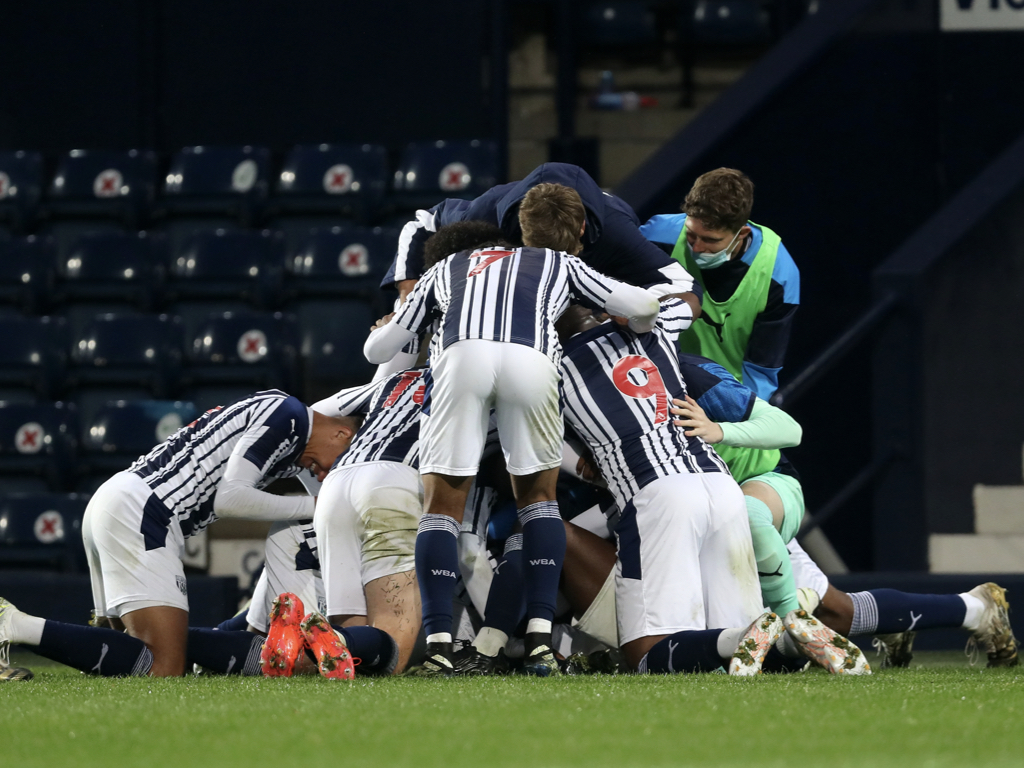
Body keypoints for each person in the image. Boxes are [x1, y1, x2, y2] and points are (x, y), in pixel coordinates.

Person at [364, 194, 662, 676]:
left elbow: (379, 350)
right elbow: (643, 303)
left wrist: (393, 325)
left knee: (441, 509)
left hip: (460, 360)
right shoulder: (555, 262)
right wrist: (640, 323)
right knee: (539, 503)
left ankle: (440, 646)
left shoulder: (448, 267)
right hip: (532, 360)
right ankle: (542, 642)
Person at [555, 303, 868, 676]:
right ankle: (787, 637)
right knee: (730, 645)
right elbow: (684, 298)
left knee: (644, 654)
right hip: (724, 490)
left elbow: (522, 449)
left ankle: (743, 637)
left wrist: (578, 464)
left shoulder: (548, 368)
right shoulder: (661, 344)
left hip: (658, 495)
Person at [0, 390, 372, 678]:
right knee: (164, 665)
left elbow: (323, 518)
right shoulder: (288, 416)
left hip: (119, 501)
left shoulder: (292, 437)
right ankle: (13, 624)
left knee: (129, 655)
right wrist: (316, 506)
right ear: (341, 432)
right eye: (335, 467)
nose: (325, 476)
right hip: (143, 512)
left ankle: (19, 627)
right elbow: (231, 499)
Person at [385, 162, 700, 305]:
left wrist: (628, 309)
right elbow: (423, 223)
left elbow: (683, 285)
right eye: (539, 252)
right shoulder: (488, 212)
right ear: (520, 226)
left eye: (564, 255)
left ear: (582, 228)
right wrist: (407, 285)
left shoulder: (616, 231)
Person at [640, 168, 799, 401]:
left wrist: (739, 418)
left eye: (710, 240)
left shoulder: (779, 276)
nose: (696, 247)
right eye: (691, 235)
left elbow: (760, 370)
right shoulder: (655, 236)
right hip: (653, 385)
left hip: (726, 396)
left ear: (742, 233)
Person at [787, 541, 1019, 669]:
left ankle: (976, 609)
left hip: (759, 514)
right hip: (754, 514)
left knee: (830, 612)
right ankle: (889, 623)